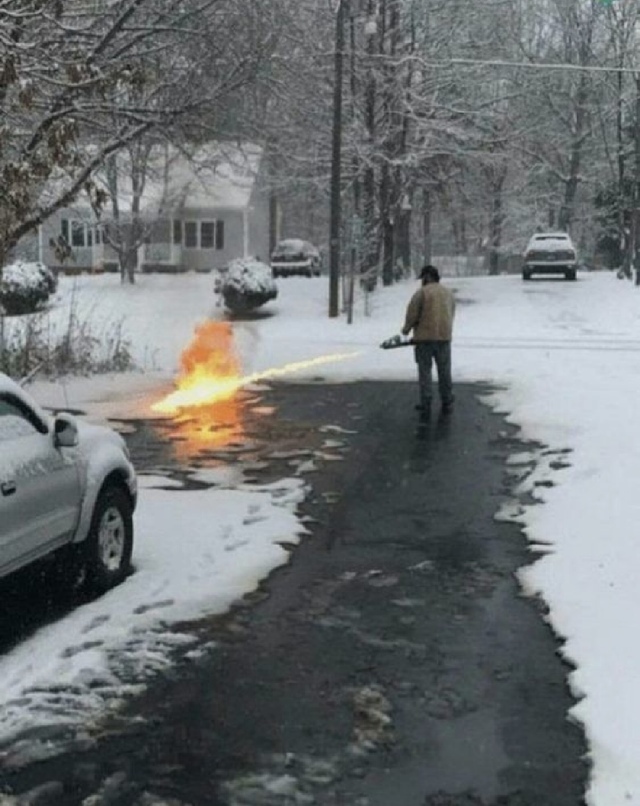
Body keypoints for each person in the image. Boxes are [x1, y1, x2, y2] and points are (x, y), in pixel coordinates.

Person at [401, 264, 456, 422]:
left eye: (422, 278)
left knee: (425, 370)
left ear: (427, 277)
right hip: (444, 338)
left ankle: (426, 401)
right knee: (444, 370)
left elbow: (412, 314)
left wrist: (406, 330)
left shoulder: (422, 293)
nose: (421, 282)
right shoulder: (448, 293)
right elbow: (451, 312)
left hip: (424, 339)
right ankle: (447, 398)